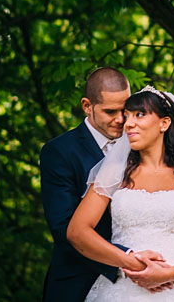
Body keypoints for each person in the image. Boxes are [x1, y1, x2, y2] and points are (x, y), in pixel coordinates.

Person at [67, 86, 174, 301]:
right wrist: (129, 261)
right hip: (120, 290)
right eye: (127, 116)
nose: (128, 124)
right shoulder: (113, 173)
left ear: (164, 123)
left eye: (140, 115)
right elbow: (77, 232)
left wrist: (167, 275)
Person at [40, 67, 142, 301]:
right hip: (80, 281)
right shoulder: (59, 152)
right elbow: (64, 229)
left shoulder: (142, 142)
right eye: (110, 111)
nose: (120, 119)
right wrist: (127, 259)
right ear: (87, 106)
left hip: (143, 282)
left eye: (125, 110)